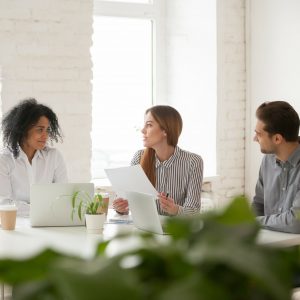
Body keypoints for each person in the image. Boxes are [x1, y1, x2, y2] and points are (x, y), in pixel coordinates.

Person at [113, 105, 203, 216]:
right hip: (144, 231)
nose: (142, 130)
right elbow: (125, 200)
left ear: (165, 130)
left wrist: (175, 209)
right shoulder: (139, 157)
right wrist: (121, 208)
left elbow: (194, 212)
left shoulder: (193, 162)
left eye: (149, 125)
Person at [0, 98, 68, 215]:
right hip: (16, 226)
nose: (45, 135)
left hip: (49, 222)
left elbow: (64, 196)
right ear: (23, 129)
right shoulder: (4, 161)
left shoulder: (54, 157)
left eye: (47, 130)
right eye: (40, 129)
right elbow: (4, 203)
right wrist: (43, 209)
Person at [252, 100, 300, 233]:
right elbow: (258, 204)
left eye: (259, 134)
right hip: (270, 246)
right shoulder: (267, 161)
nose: (254, 138)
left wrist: (255, 222)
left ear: (277, 139)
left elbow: (296, 222)